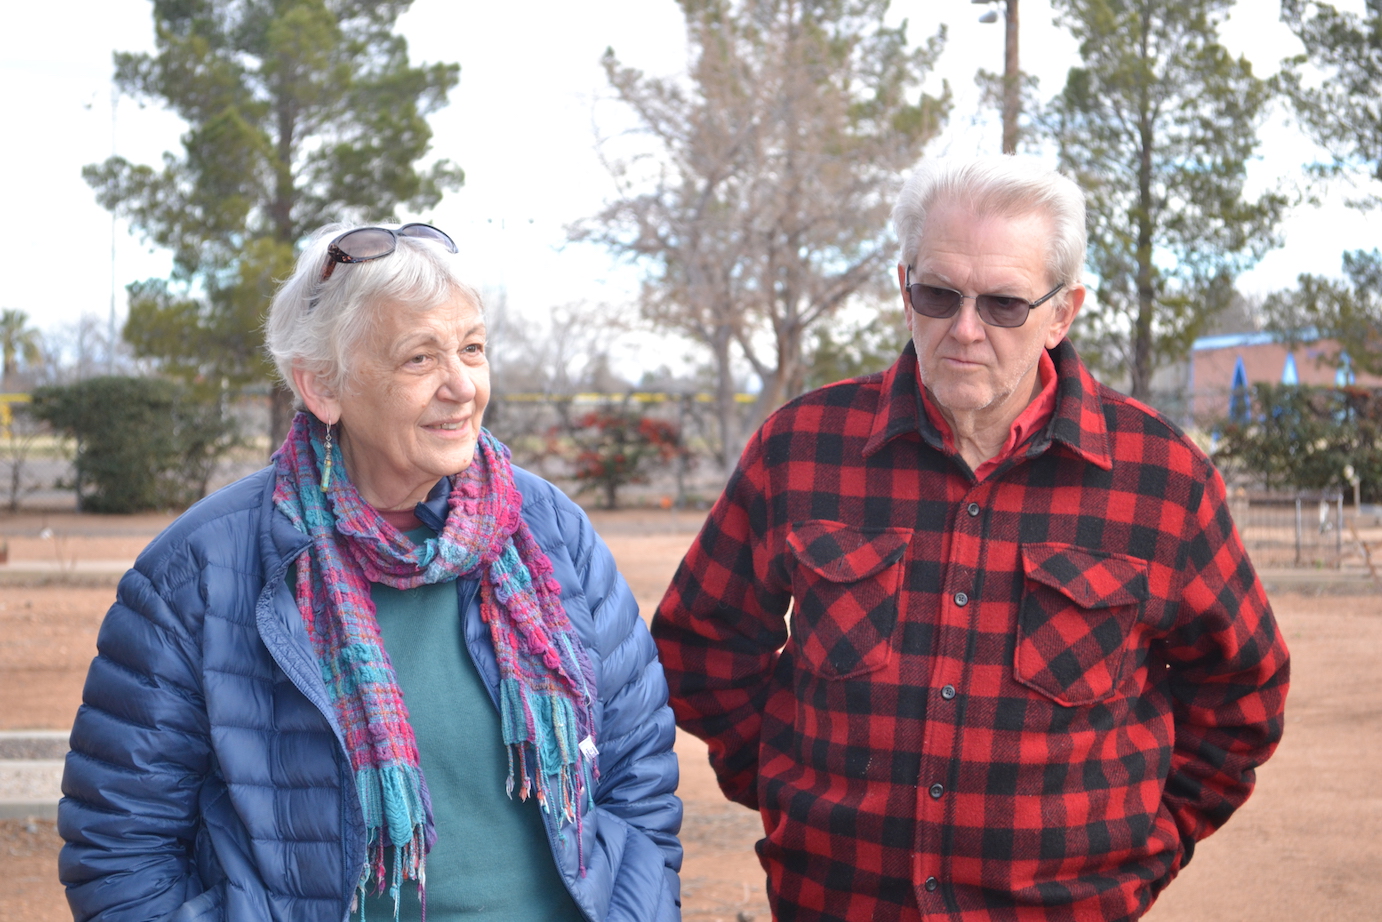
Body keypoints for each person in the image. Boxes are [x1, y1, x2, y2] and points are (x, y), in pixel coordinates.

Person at [651, 157, 1289, 921]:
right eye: (938, 294)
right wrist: (788, 792)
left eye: (1005, 304)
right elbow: (702, 644)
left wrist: (1147, 846)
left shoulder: (1163, 480)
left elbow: (1242, 689)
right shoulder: (800, 448)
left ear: (1063, 313)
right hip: (834, 902)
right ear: (904, 288)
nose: (964, 329)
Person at [58, 222, 683, 922]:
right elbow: (119, 844)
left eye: (472, 350)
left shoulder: (548, 530)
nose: (462, 387)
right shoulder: (199, 570)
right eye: (420, 359)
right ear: (322, 386)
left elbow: (638, 780)